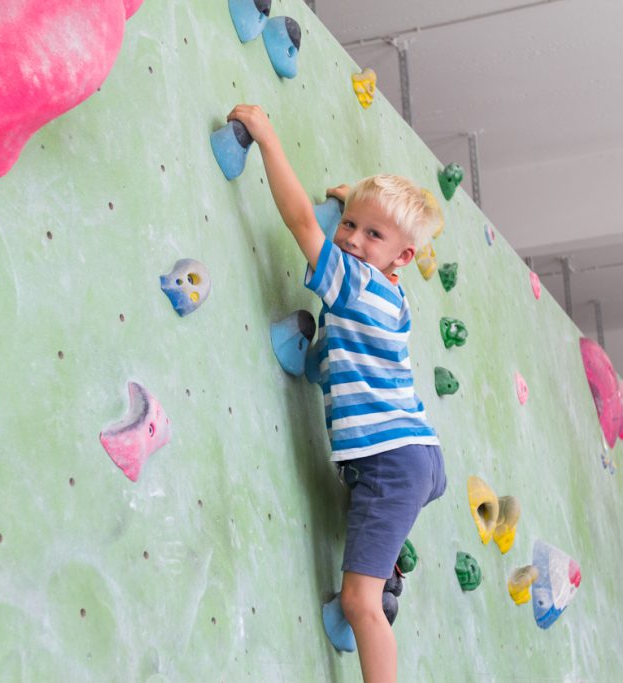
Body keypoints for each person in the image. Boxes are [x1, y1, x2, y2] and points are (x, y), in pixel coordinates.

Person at [226, 104, 447, 683]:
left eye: (370, 234)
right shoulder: (393, 293)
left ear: (400, 257)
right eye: (349, 224)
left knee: (359, 603)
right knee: (366, 532)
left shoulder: (352, 281)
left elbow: (301, 220)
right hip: (416, 456)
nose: (348, 239)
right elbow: (360, 239)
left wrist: (268, 138)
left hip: (388, 463)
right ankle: (388, 559)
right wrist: (361, 210)